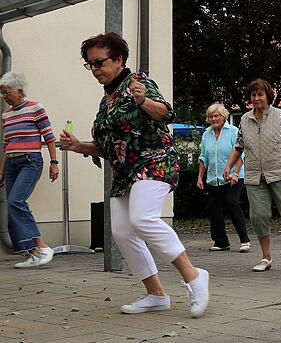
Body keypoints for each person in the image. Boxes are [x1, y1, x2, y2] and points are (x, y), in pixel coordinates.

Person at [60, 32, 208, 317]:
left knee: (142, 219)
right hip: (125, 172)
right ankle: (156, 294)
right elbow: (106, 147)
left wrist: (142, 102)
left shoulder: (137, 84)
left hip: (155, 162)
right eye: (90, 64)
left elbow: (165, 113)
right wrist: (78, 146)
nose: (94, 69)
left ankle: (194, 275)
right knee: (122, 231)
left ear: (118, 59)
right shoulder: (107, 101)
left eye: (99, 62)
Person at [223, 79, 281, 274]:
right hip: (255, 176)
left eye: (260, 94)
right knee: (259, 216)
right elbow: (239, 146)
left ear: (268, 96)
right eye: (253, 95)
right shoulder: (245, 119)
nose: (256, 98)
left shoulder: (280, 116)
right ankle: (266, 257)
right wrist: (229, 166)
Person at [0, 72, 59, 268]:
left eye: (6, 92)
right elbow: (6, 144)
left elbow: (49, 137)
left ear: (20, 90)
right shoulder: (6, 114)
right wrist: (1, 170)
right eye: (2, 93)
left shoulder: (36, 108)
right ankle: (31, 253)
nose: (4, 96)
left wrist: (54, 162)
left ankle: (41, 246)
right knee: (11, 206)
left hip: (30, 161)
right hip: (11, 163)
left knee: (16, 201)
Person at [197, 103, 251, 253]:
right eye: (211, 116)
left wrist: (235, 173)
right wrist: (200, 177)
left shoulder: (233, 131)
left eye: (216, 115)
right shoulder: (206, 134)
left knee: (232, 203)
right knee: (214, 208)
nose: (213, 119)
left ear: (224, 116)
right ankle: (221, 242)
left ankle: (245, 240)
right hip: (213, 178)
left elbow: (240, 153)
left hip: (234, 176)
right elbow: (203, 158)